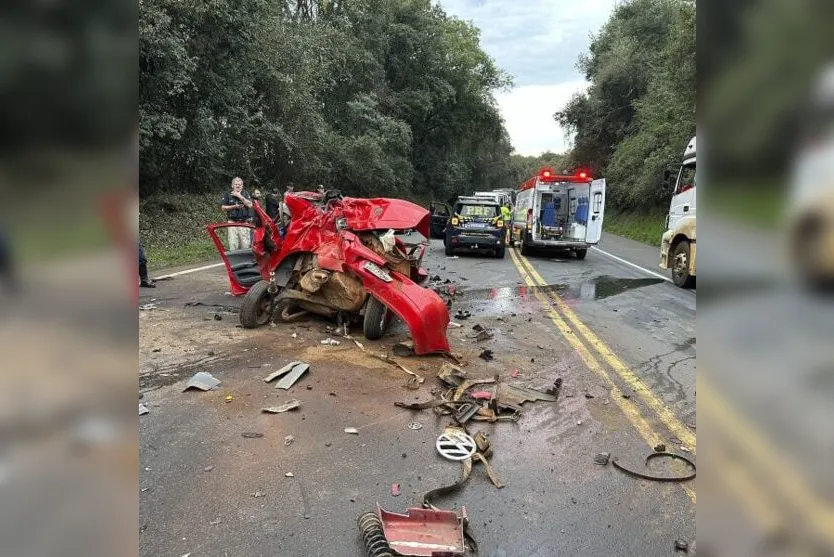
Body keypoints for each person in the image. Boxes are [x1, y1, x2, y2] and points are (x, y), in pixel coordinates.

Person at [220, 177, 253, 250]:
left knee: (245, 245)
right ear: (232, 185)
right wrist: (234, 206)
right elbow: (223, 208)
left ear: (242, 185)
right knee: (233, 244)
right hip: (232, 222)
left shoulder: (246, 193)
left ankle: (244, 260)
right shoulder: (227, 194)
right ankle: (234, 260)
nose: (238, 186)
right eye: (236, 184)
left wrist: (239, 196)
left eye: (240, 184)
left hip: (244, 223)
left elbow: (250, 205)